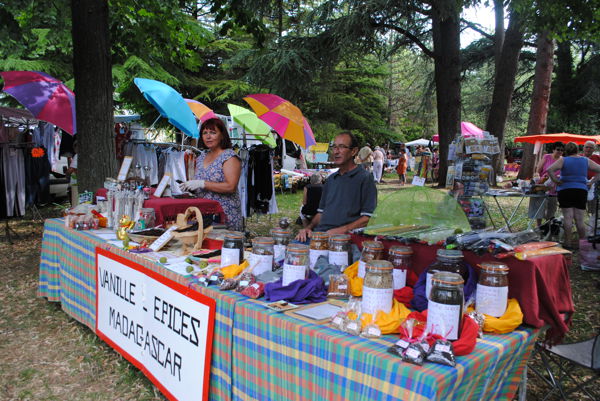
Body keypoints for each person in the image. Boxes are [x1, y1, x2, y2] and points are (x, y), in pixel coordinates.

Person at [296, 132, 377, 241]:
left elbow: (367, 218)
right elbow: (321, 213)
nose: (336, 151)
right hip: (320, 235)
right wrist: (308, 228)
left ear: (353, 151)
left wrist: (342, 230)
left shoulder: (364, 178)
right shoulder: (331, 180)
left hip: (344, 239)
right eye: (334, 147)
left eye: (342, 147)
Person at [180, 117, 243, 231]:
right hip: (203, 214)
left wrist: (202, 183)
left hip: (225, 215)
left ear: (222, 135)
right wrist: (190, 187)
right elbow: (199, 186)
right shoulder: (201, 157)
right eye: (205, 133)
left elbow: (231, 187)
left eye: (213, 133)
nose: (208, 136)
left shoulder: (229, 157)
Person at [547, 142, 600, 249]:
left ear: (566, 150)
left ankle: (568, 243)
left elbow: (550, 169)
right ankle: (583, 244)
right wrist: (591, 182)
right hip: (580, 190)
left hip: (565, 190)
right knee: (579, 219)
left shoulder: (563, 160)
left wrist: (556, 180)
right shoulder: (585, 160)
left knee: (568, 218)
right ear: (578, 149)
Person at [528, 141, 563, 227]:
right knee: (540, 206)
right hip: (543, 186)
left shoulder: (562, 160)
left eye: (562, 150)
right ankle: (539, 226)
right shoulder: (547, 157)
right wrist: (538, 180)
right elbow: (537, 171)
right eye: (558, 149)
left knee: (552, 208)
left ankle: (549, 226)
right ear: (553, 149)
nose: (560, 151)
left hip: (555, 188)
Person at [582, 140, 600, 213]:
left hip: (594, 185)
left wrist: (592, 182)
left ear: (594, 149)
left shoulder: (598, 158)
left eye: (591, 148)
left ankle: (592, 223)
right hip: (580, 185)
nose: (588, 149)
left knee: (593, 209)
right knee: (578, 208)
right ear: (583, 148)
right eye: (587, 147)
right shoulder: (578, 157)